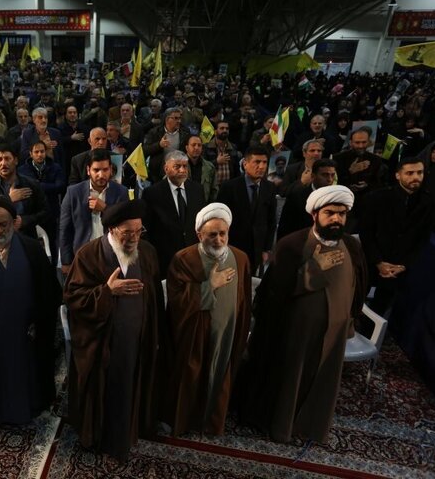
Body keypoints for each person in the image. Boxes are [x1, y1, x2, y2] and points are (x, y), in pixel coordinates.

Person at [237, 185, 368, 444]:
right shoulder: (292, 246)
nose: (336, 219)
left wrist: (350, 320)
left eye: (341, 214)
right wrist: (314, 270)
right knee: (290, 382)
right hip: (295, 334)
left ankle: (311, 427)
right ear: (314, 215)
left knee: (323, 383)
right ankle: (281, 426)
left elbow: (359, 287)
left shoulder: (351, 246)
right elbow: (273, 295)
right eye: (330, 213)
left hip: (334, 335)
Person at [64, 200, 164, 461]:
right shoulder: (88, 255)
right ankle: (101, 437)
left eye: (138, 231)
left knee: (133, 385)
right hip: (103, 344)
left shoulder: (148, 252)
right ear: (111, 229)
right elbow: (73, 298)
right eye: (127, 232)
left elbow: (154, 299)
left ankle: (130, 430)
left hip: (137, 340)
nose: (133, 238)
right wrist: (107, 292)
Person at [0, 195, 61, 424]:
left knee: (28, 374)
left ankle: (31, 407)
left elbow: (50, 292)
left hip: (26, 332)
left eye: (3, 224)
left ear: (14, 223)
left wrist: (39, 322)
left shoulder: (33, 250)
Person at [162, 203, 251, 436]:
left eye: (223, 234)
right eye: (212, 234)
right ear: (199, 234)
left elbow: (245, 299)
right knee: (191, 376)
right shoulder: (184, 259)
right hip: (194, 335)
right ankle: (186, 421)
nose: (219, 240)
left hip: (226, 332)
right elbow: (176, 301)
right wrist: (208, 286)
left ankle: (212, 422)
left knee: (219, 375)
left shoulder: (240, 259)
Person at [359, 157, 434, 316]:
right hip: (371, 262)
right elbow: (366, 233)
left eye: (419, 172)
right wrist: (379, 262)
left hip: (398, 269)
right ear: (398, 175)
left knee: (381, 307)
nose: (416, 177)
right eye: (410, 173)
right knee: (356, 300)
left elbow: (422, 239)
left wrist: (403, 265)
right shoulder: (377, 198)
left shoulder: (429, 202)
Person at [59, 149, 128, 274]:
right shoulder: (73, 193)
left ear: (111, 170)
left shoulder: (121, 192)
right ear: (88, 170)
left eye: (105, 170)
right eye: (96, 170)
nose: (101, 175)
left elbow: (125, 224)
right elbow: (65, 230)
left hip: (112, 256)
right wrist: (66, 261)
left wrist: (105, 209)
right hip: (82, 255)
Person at [142, 150, 207, 278]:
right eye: (177, 166)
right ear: (166, 168)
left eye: (185, 166)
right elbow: (147, 228)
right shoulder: (152, 193)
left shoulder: (197, 190)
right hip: (164, 258)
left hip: (192, 256)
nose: (182, 170)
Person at [216, 146, 277, 272]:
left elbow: (271, 221)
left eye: (264, 162)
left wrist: (266, 249)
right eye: (257, 162)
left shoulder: (269, 188)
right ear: (245, 164)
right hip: (233, 248)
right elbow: (220, 221)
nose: (261, 166)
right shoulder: (229, 187)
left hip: (258, 250)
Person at [0, 144, 49, 239]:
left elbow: (45, 212)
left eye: (7, 158)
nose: (3, 163)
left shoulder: (31, 184)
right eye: (0, 159)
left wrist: (24, 221)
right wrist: (8, 199)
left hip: (24, 236)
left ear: (16, 161)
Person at [277, 158, 337, 239]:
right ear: (313, 176)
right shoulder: (296, 197)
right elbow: (284, 229)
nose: (330, 179)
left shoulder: (336, 198)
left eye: (332, 175)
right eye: (325, 175)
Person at [143, 107, 191, 183]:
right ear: (167, 119)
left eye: (180, 118)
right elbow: (145, 150)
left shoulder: (185, 132)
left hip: (178, 172)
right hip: (158, 173)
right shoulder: (155, 132)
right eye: (176, 118)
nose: (179, 121)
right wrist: (159, 145)